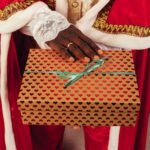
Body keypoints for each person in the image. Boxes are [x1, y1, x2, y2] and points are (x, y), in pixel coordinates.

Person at [0, 0, 149, 150]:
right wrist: (42, 21)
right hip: (33, 35)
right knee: (38, 129)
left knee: (109, 132)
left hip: (121, 43)